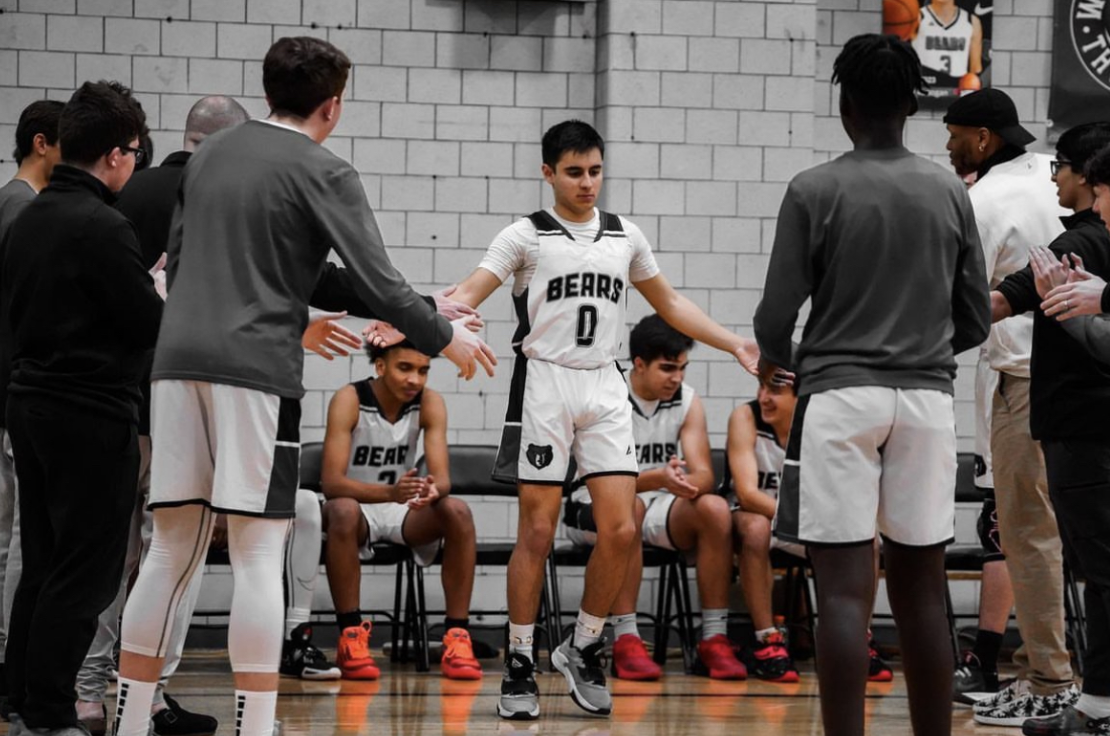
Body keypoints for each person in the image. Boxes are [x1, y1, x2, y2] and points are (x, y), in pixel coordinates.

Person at [112, 36, 495, 736]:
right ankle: (256, 726)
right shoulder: (327, 169)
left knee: (171, 547)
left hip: (172, 366)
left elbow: (199, 263)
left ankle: (130, 720)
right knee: (260, 552)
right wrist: (445, 333)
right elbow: (377, 281)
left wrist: (423, 306)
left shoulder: (210, 156)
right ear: (333, 105)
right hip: (255, 370)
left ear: (267, 93)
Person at [435, 119, 765, 720]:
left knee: (620, 529)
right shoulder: (525, 237)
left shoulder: (624, 236)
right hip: (545, 383)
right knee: (537, 531)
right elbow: (468, 291)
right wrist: (408, 316)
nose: (588, 183)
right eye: (574, 172)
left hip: (604, 382)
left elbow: (671, 304)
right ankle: (517, 659)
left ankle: (583, 645)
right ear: (547, 173)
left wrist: (732, 342)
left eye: (595, 171)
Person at [754, 34, 990, 736]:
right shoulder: (949, 189)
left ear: (845, 105)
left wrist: (785, 362)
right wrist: (922, 353)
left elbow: (774, 315)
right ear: (913, 106)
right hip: (925, 400)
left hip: (837, 396)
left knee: (845, 593)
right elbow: (975, 316)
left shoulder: (814, 188)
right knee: (923, 590)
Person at [72, 95, 253, 736]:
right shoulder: (221, 197)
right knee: (172, 554)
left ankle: (89, 694)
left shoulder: (127, 193)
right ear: (230, 144)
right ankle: (143, 696)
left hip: (112, 393)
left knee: (106, 554)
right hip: (181, 395)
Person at [0, 80, 160, 736]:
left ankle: (22, 698)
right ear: (119, 155)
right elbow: (147, 323)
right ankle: (51, 712)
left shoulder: (30, 214)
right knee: (87, 575)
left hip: (29, 408)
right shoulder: (103, 226)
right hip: (89, 414)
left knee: (42, 562)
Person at [944, 88, 1081, 727]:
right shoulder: (1058, 171)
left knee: (1025, 535)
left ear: (981, 139)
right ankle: (1053, 675)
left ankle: (1050, 680)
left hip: (1023, 379)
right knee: (1052, 535)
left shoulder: (981, 200)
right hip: (1079, 369)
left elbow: (958, 300)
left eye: (952, 134)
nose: (946, 146)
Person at [988, 125, 1110, 736]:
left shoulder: (1083, 240)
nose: (1053, 177)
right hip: (1079, 424)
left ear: (1091, 176)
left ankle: (1080, 697)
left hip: (1084, 427)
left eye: (1061, 166)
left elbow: (1009, 303)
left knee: (1096, 566)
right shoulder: (1082, 237)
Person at [562, 314, 746, 681]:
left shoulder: (686, 400)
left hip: (654, 502)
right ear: (640, 364)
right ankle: (626, 638)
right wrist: (655, 479)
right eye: (667, 368)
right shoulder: (606, 396)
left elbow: (705, 475)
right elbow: (594, 478)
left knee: (713, 508)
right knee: (627, 508)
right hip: (592, 506)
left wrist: (683, 482)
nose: (677, 378)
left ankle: (713, 638)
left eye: (682, 368)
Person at [313, 340, 481, 681]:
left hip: (401, 508)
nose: (415, 380)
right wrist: (389, 492)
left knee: (458, 511)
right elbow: (331, 483)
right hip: (358, 507)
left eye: (423, 371)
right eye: (405, 368)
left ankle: (458, 636)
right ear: (380, 366)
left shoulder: (430, 402)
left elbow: (443, 479)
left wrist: (433, 490)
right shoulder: (350, 399)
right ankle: (351, 636)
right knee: (342, 510)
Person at [725, 377, 892, 685]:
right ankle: (767, 641)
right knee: (756, 527)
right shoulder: (745, 417)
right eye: (760, 387)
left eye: (774, 390)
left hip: (804, 522)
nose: (764, 397)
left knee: (866, 539)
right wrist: (805, 518)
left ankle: (858, 640)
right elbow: (747, 494)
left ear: (800, 394)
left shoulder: (822, 425)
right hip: (759, 517)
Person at [0, 99, 63, 705]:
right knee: (20, 537)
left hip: (14, 388)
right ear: (42, 143)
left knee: (15, 535)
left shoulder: (12, 202)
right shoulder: (24, 207)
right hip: (17, 390)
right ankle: (8, 661)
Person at [911, 0, 983, 85]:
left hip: (956, 89)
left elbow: (975, 69)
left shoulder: (971, 21)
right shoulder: (915, 18)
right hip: (923, 88)